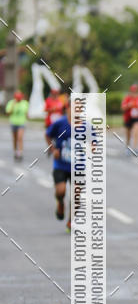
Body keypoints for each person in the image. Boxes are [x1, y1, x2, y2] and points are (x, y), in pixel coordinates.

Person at [46, 102, 72, 230]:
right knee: (61, 191)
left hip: (78, 166)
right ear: (67, 108)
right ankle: (60, 202)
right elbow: (48, 134)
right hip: (61, 164)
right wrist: (53, 149)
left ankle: (71, 221)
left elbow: (93, 139)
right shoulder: (60, 123)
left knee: (77, 195)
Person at [6, 90, 29, 161]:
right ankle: (15, 151)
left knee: (20, 138)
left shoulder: (25, 103)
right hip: (13, 123)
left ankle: (20, 153)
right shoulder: (11, 103)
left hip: (21, 123)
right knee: (15, 139)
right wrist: (13, 105)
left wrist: (27, 117)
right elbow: (8, 113)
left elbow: (26, 113)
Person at [122, 84, 138, 154]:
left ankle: (135, 148)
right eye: (133, 90)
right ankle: (127, 147)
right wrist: (129, 105)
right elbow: (123, 107)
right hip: (128, 117)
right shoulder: (127, 98)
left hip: (136, 117)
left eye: (136, 90)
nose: (134, 92)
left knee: (136, 132)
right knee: (128, 134)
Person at [44, 87, 65, 152]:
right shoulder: (48, 100)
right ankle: (51, 147)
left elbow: (64, 109)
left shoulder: (60, 101)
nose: (55, 95)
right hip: (50, 122)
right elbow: (45, 110)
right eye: (54, 94)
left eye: (56, 94)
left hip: (58, 121)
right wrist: (52, 109)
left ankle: (57, 147)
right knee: (49, 135)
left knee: (58, 135)